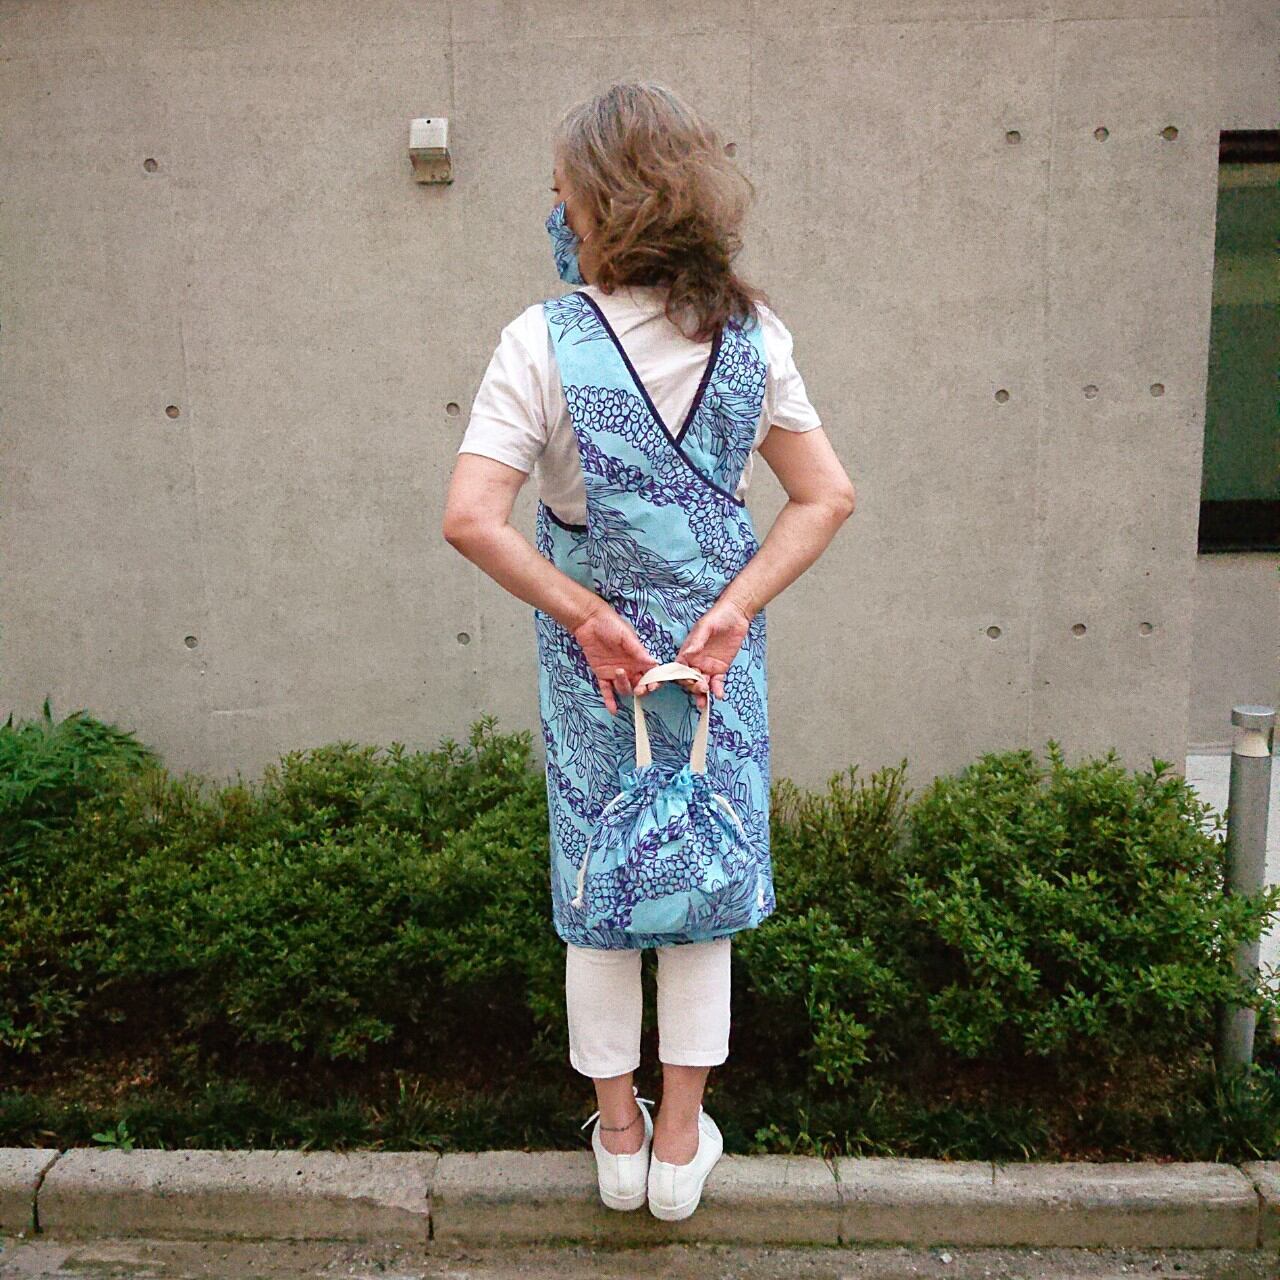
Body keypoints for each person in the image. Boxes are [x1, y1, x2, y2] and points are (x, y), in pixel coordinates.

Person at [442, 79, 856, 1221]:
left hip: (598, 673)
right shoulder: (753, 340)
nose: (555, 212)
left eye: (562, 193)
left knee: (601, 882)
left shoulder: (540, 342)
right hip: (715, 669)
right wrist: (732, 609)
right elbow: (824, 495)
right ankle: (680, 1145)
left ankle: (617, 1138)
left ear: (601, 201)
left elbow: (471, 516)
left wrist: (583, 614)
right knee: (700, 876)